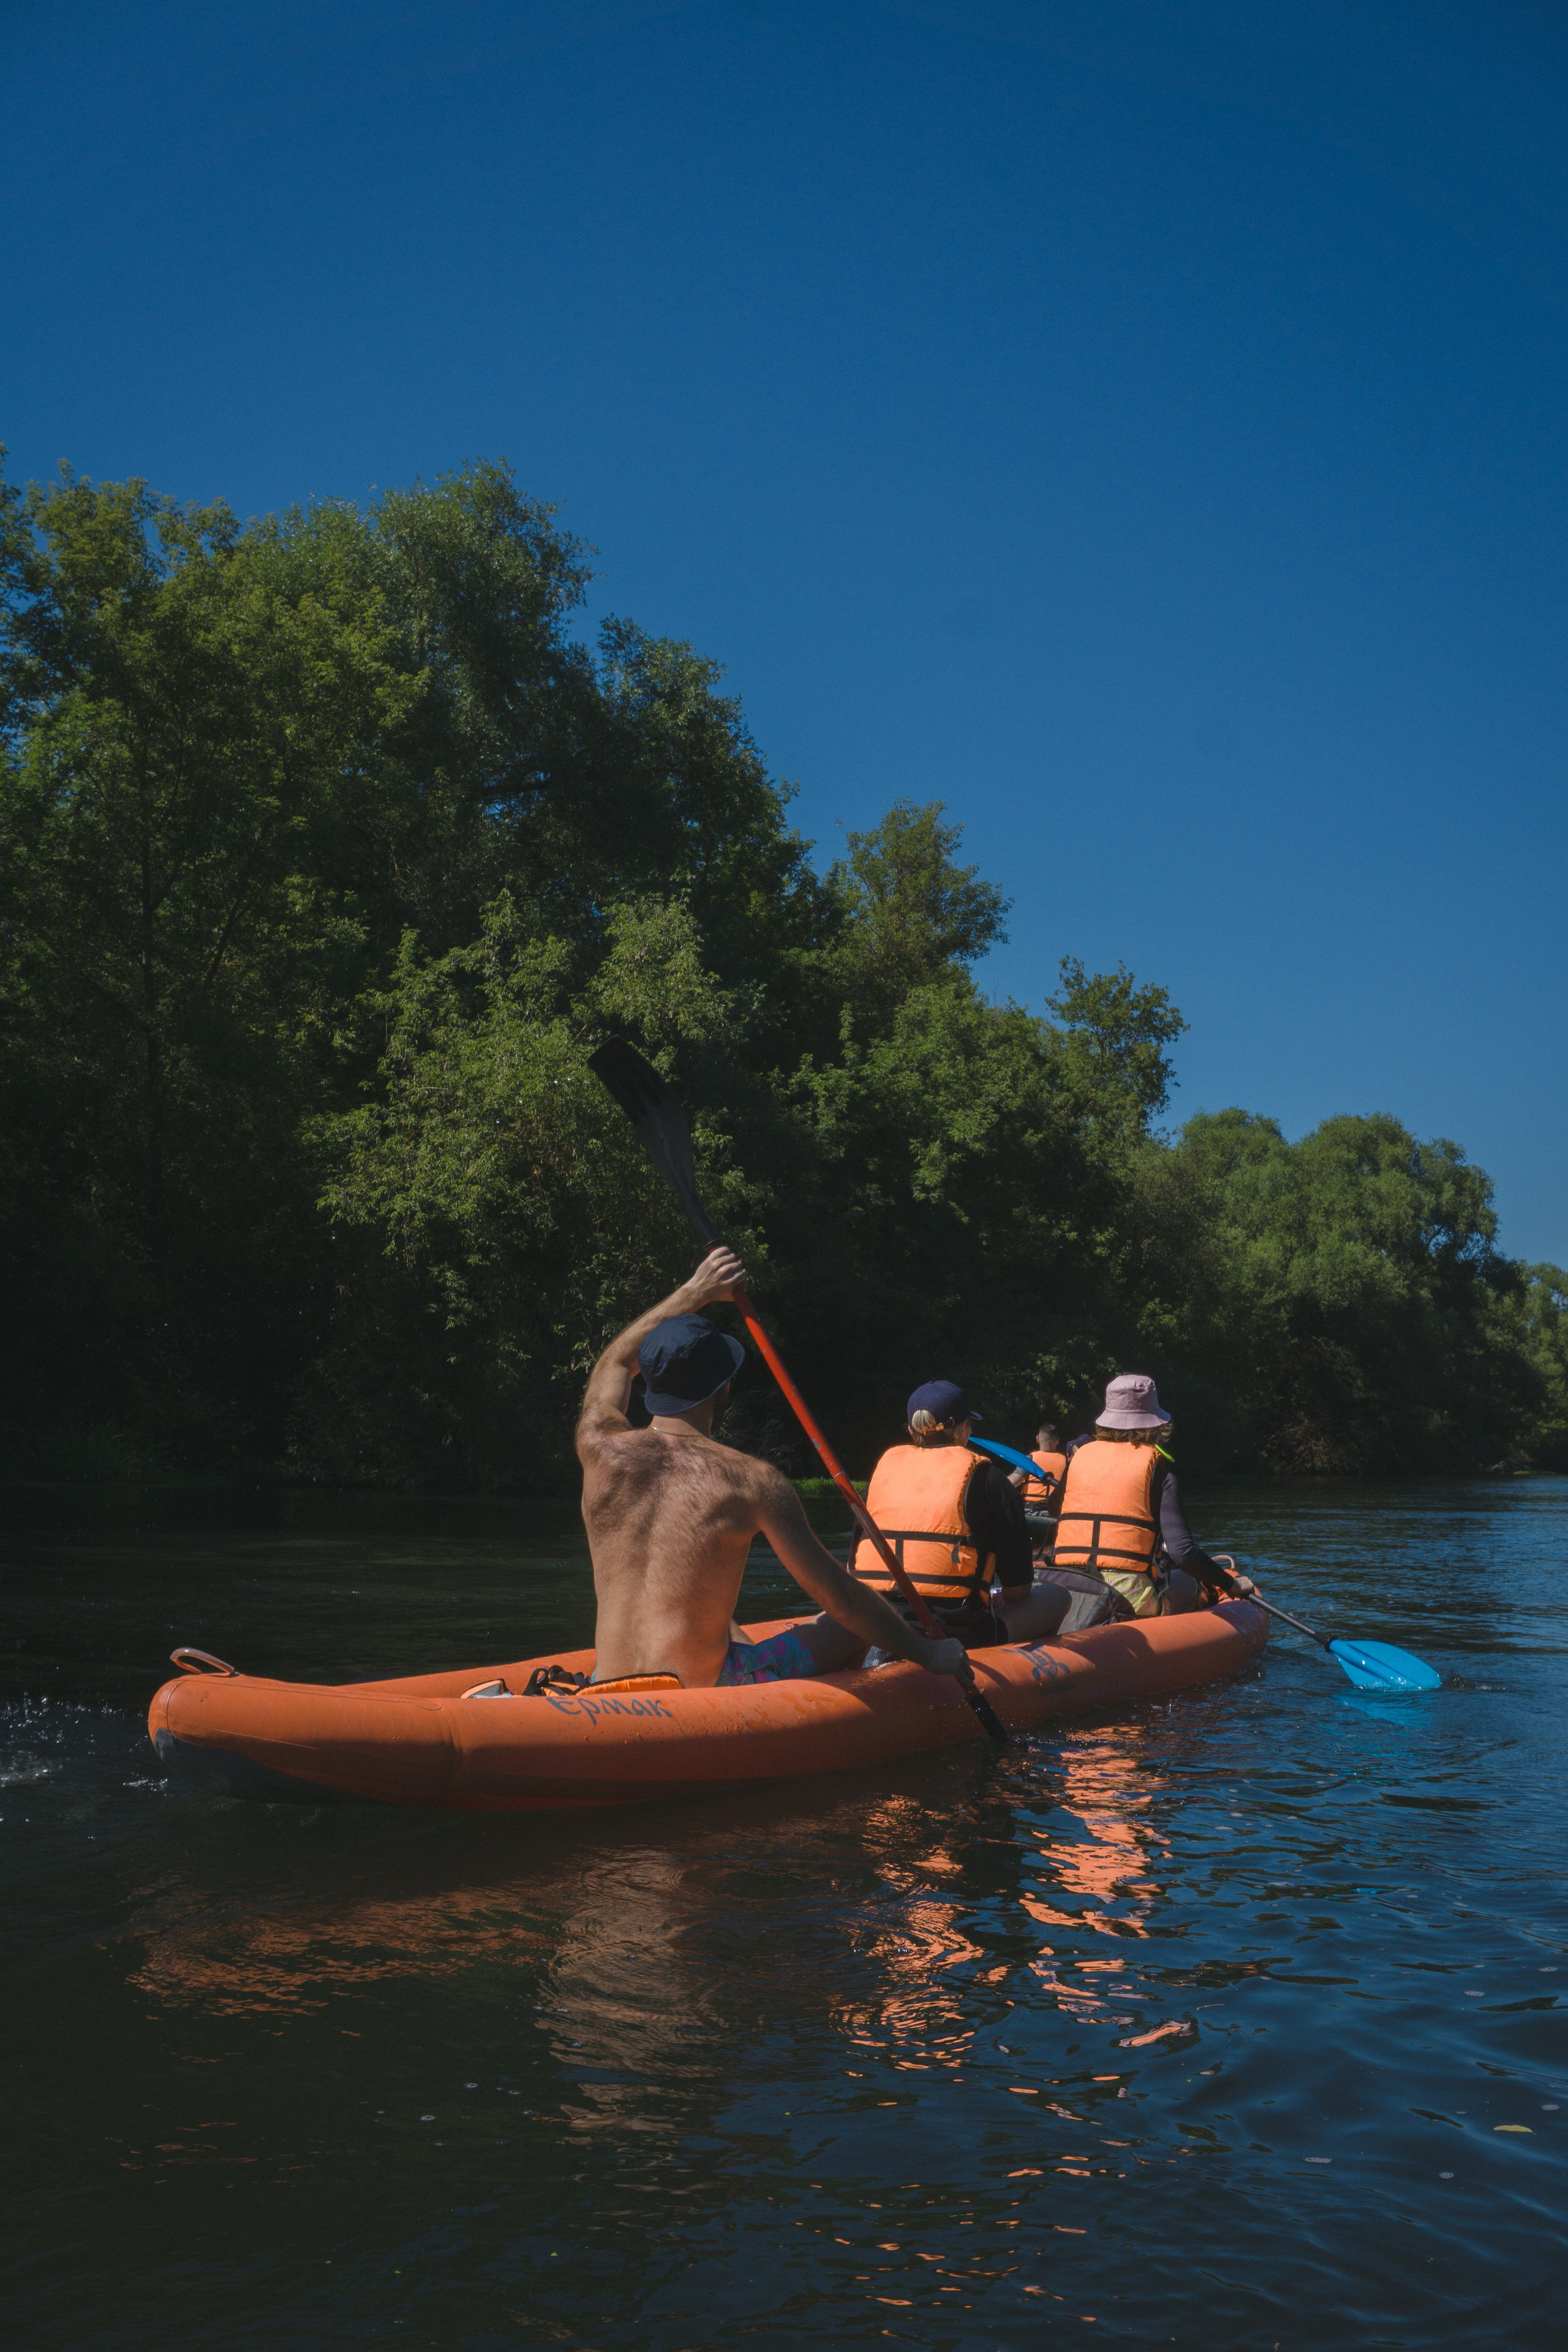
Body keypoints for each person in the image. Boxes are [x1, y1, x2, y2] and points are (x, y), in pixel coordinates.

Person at [575, 1247, 973, 1691]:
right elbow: (841, 1600)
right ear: (723, 1385)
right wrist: (931, 1654)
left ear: (647, 1377)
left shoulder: (600, 1448)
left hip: (607, 1679)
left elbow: (612, 1362)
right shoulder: (751, 1481)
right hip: (706, 1687)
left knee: (718, 1615)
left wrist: (696, 1290)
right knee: (853, 1624)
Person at [1050, 1374, 1256, 1618]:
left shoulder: (1079, 1459)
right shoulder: (1160, 1473)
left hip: (1067, 1583)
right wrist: (1230, 1584)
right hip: (1126, 1595)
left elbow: (1055, 1510)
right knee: (1190, 1582)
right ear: (1154, 1424)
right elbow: (1183, 1553)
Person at [854, 1381, 1036, 1646]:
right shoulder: (990, 1481)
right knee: (1057, 1597)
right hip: (954, 1630)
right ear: (964, 1429)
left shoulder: (881, 1477)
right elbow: (1018, 1590)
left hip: (877, 1622)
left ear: (910, 1429)